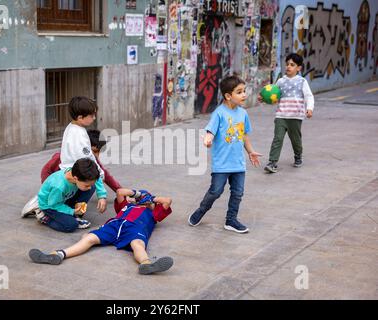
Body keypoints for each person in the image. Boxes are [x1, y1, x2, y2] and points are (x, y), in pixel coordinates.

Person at [28, 188, 174, 275]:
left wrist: (151, 199)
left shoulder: (155, 213)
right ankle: (58, 254)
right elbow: (120, 191)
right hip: (114, 225)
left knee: (137, 244)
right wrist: (138, 195)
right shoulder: (126, 206)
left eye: (152, 203)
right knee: (89, 238)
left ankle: (146, 264)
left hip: (135, 228)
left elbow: (167, 200)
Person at [188, 75, 262, 233]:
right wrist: (208, 139)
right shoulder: (219, 113)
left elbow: (244, 135)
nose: (244, 95)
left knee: (238, 193)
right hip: (222, 164)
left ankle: (231, 220)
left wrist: (250, 151)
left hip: (238, 163)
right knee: (215, 191)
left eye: (244, 91)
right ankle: (201, 210)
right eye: (239, 92)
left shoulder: (243, 113)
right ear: (228, 96)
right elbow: (210, 130)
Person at [21, 97, 108, 220]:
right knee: (90, 186)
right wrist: (101, 194)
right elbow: (90, 166)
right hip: (73, 175)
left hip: (67, 172)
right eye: (92, 115)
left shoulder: (71, 127)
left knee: (87, 186)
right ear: (80, 117)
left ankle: (64, 209)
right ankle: (51, 209)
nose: (94, 118)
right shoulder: (80, 139)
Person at [260, 53, 315, 173]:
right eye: (287, 64)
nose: (288, 67)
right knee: (277, 139)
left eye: (292, 65)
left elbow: (309, 96)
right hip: (281, 116)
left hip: (295, 116)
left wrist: (309, 108)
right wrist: (264, 98)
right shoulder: (280, 81)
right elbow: (273, 95)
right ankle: (272, 162)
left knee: (295, 140)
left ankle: (298, 155)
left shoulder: (302, 81)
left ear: (299, 68)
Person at [39, 129, 122, 192]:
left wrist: (119, 190)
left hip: (72, 186)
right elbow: (46, 170)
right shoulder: (63, 157)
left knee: (92, 183)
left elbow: (104, 174)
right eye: (95, 151)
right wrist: (47, 189)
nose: (97, 156)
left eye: (99, 152)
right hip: (58, 186)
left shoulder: (91, 159)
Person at [36, 158, 100, 233]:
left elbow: (94, 181)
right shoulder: (59, 187)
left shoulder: (74, 173)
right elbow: (53, 205)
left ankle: (74, 213)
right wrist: (72, 211)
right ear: (76, 178)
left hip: (63, 198)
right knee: (71, 225)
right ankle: (45, 218)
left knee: (92, 187)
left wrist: (102, 195)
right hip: (50, 206)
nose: (88, 187)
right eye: (86, 185)